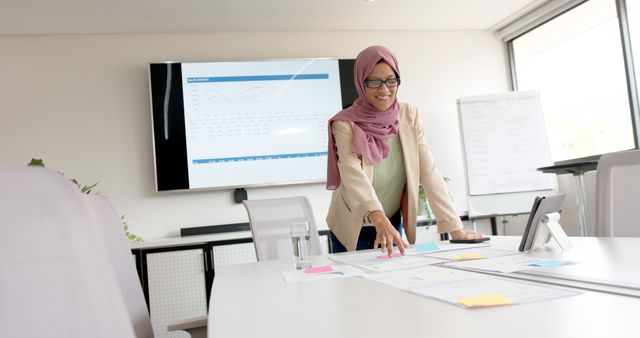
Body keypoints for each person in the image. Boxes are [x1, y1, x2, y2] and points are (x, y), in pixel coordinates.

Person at [326, 45, 483, 256]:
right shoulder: (345, 123)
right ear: (360, 82)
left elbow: (429, 170)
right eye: (373, 82)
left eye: (391, 80)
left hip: (390, 219)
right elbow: (351, 171)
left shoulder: (409, 114)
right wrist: (376, 216)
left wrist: (455, 228)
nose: (384, 90)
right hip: (353, 221)